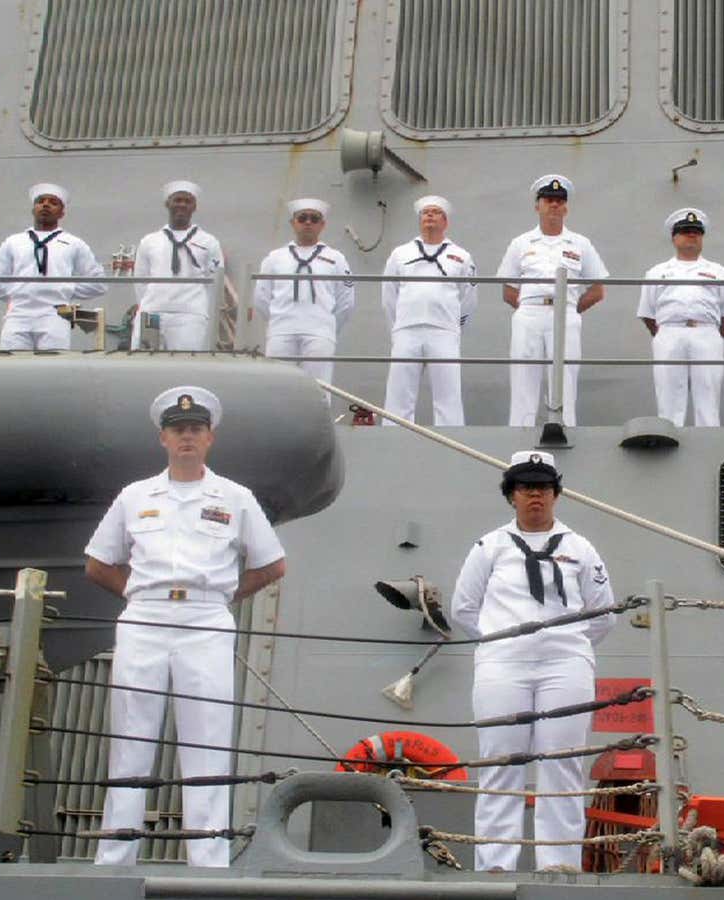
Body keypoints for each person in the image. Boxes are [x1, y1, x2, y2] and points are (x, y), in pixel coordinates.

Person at [84, 386, 287, 867]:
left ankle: (209, 861)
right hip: (145, 617)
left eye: (196, 429)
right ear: (164, 438)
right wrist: (137, 593)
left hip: (206, 621)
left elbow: (273, 563)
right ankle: (116, 857)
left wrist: (222, 596)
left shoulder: (235, 498)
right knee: (132, 738)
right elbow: (97, 562)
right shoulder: (135, 497)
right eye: (179, 430)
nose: (187, 437)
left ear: (210, 437)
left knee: (207, 740)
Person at [449, 451, 618, 871]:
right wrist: (501, 645)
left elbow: (603, 613)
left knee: (562, 763)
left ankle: (558, 864)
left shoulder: (580, 548)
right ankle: (494, 863)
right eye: (526, 488)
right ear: (512, 496)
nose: (535, 496)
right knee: (499, 763)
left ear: (556, 494)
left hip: (565, 665)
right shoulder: (489, 547)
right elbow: (465, 609)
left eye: (543, 488)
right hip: (503, 666)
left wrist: (565, 643)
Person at [496, 175, 608, 427]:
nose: (554, 205)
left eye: (560, 201)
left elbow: (598, 289)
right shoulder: (521, 243)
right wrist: (531, 306)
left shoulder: (580, 244)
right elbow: (508, 290)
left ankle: (565, 429)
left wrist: (567, 309)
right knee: (524, 376)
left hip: (566, 315)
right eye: (549, 200)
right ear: (538, 206)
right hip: (529, 314)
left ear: (566, 207)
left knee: (565, 377)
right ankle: (520, 431)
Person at [637, 208, 724, 426]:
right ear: (674, 237)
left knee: (708, 395)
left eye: (696, 231)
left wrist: (711, 334)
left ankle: (709, 441)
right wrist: (667, 332)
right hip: (669, 332)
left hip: (706, 332)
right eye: (685, 231)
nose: (691, 235)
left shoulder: (718, 271)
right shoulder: (657, 272)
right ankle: (670, 439)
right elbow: (647, 313)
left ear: (702, 237)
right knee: (669, 396)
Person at [380, 195, 477, 426]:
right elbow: (389, 295)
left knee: (448, 395)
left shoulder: (461, 256)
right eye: (426, 213)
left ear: (446, 221)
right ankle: (393, 438)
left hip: (443, 331)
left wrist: (452, 326)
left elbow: (469, 298)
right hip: (407, 329)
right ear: (420, 220)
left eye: (436, 212)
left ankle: (451, 440)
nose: (430, 216)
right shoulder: (400, 254)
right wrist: (398, 326)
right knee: (399, 394)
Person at [0, 183, 108, 350]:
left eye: (53, 202)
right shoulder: (13, 242)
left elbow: (99, 283)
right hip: (18, 315)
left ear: (62, 212)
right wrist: (19, 292)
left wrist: (65, 289)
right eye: (41, 201)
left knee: (53, 369)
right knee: (12, 368)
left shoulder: (74, 244)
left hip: (54, 316)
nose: (45, 205)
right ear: (33, 209)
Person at [253, 199, 355, 395]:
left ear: (322, 225)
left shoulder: (336, 258)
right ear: (293, 223)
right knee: (277, 386)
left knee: (319, 388)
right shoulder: (275, 258)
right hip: (281, 330)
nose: (308, 222)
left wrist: (328, 325)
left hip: (319, 330)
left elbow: (346, 301)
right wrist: (278, 320)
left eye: (314, 219)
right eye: (302, 218)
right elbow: (262, 297)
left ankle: (317, 426)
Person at [133, 181, 225, 351]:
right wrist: (149, 304)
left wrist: (202, 310)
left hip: (189, 314)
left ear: (194, 207)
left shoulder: (209, 242)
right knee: (144, 363)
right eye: (177, 200)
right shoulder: (149, 241)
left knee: (186, 366)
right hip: (152, 312)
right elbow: (140, 280)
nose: (182, 205)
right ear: (168, 204)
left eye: (187, 201)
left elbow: (214, 283)